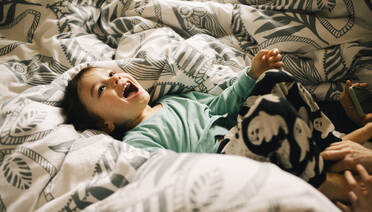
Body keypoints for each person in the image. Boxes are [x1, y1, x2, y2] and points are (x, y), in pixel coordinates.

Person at [61, 48, 342, 196]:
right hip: (224, 164)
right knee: (270, 111)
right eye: (102, 89)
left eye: (112, 73)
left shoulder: (173, 100)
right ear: (107, 124)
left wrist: (252, 72)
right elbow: (170, 174)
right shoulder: (136, 141)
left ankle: (333, 145)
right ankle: (323, 184)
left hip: (242, 135)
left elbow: (222, 105)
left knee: (274, 81)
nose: (114, 79)